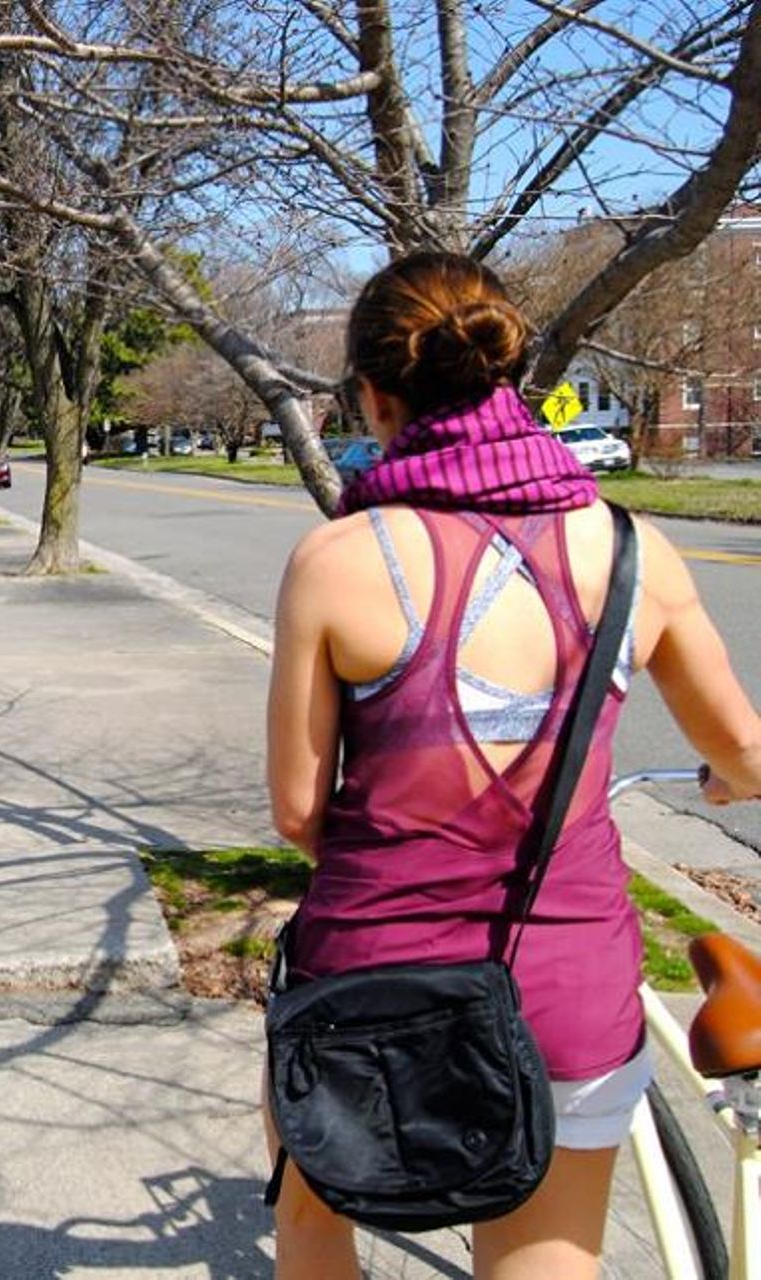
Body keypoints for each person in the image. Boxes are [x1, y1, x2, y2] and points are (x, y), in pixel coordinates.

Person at [265, 251, 761, 1280]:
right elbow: (743, 752)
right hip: (564, 979)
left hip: (370, 977)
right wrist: (725, 783)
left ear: (372, 392)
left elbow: (298, 808)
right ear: (508, 376)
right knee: (544, 1257)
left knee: (315, 1224)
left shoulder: (339, 559)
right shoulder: (631, 550)